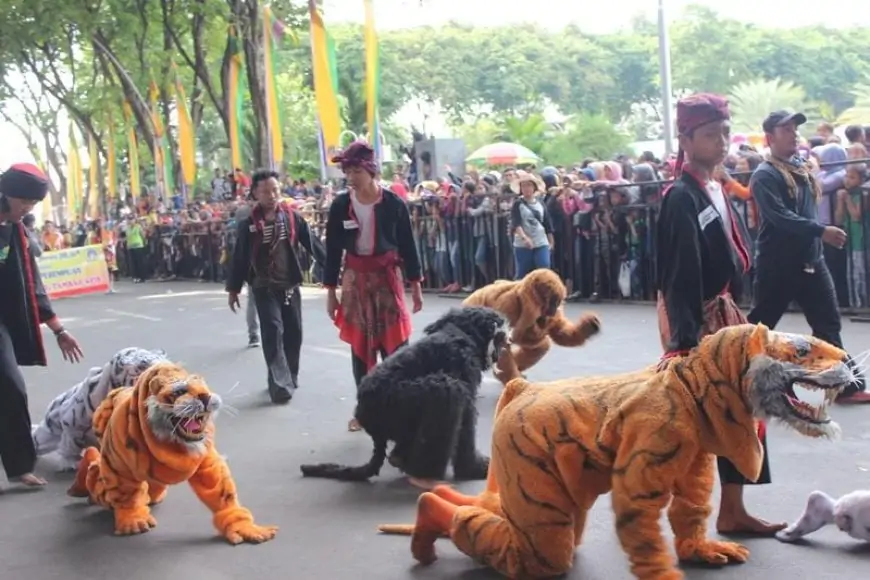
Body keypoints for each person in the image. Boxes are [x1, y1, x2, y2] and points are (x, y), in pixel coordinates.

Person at [655, 94, 785, 536]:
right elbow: (679, 274)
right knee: (700, 417)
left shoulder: (715, 185)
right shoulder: (681, 196)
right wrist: (684, 342)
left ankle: (733, 508)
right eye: (712, 134)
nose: (722, 141)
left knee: (745, 408)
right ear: (686, 138)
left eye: (725, 133)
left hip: (725, 311)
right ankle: (685, 517)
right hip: (699, 317)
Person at [748, 110, 870, 404]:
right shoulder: (765, 175)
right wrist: (820, 230)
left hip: (811, 260)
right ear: (770, 137)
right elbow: (779, 217)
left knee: (827, 323)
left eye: (795, 128)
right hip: (779, 264)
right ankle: (730, 381)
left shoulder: (801, 166)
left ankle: (843, 386)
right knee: (759, 328)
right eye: (785, 129)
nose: (793, 133)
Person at [323, 141, 423, 431]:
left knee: (398, 349)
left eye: (356, 170)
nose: (351, 177)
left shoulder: (393, 203)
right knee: (360, 348)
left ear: (370, 171)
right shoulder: (341, 205)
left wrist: (415, 286)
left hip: (386, 280)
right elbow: (332, 252)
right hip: (355, 281)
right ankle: (365, 411)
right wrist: (332, 293)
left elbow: (408, 246)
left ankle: (401, 409)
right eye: (347, 171)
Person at [0, 163, 84, 487]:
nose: (28, 210)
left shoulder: (16, 231)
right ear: (7, 194)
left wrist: (58, 329)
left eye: (33, 205)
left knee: (10, 385)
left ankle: (20, 466)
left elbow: (32, 285)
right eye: (25, 203)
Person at [226, 169, 325, 404]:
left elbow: (314, 245)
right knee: (272, 331)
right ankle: (279, 384)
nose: (272, 195)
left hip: (289, 283)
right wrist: (233, 289)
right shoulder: (248, 224)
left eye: (276, 190)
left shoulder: (292, 217)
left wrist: (331, 270)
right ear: (255, 194)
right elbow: (239, 257)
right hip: (263, 286)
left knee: (294, 333)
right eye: (266, 191)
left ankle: (290, 375)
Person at [510, 173, 554, 279]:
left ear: (534, 187)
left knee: (544, 268)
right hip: (523, 243)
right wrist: (524, 238)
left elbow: (547, 224)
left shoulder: (540, 203)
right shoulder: (518, 204)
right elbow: (516, 223)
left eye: (529, 185)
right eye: (524, 186)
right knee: (523, 272)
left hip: (540, 241)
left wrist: (551, 242)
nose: (526, 188)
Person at [232, 197, 260, 347]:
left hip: (259, 261)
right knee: (253, 299)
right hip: (253, 262)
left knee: (253, 300)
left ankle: (254, 334)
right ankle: (254, 334)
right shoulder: (246, 213)